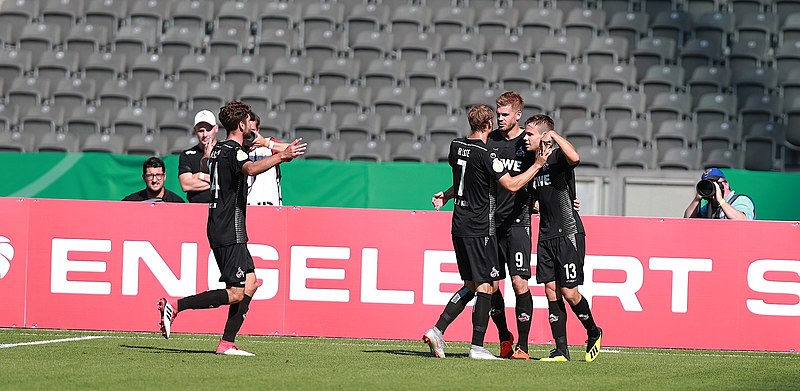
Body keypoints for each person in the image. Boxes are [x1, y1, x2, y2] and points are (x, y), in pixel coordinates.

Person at [157, 101, 306, 356]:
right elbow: (248, 167)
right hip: (229, 228)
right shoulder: (234, 152)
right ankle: (176, 305)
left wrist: (274, 147)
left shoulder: (217, 150)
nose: (252, 126)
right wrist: (281, 155)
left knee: (250, 283)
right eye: (248, 122)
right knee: (236, 293)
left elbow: (208, 163)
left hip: (222, 224)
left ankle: (227, 343)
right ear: (241, 124)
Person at [424, 104, 547, 360]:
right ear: (489, 124)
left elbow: (463, 180)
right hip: (480, 226)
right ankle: (476, 346)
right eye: (497, 116)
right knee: (485, 286)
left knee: (472, 284)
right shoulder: (486, 153)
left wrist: (447, 196)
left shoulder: (456, 145)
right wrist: (537, 165)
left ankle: (439, 330)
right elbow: (511, 184)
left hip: (458, 223)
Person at [523, 114, 602, 362]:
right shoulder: (534, 164)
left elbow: (576, 157)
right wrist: (535, 205)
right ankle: (560, 350)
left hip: (568, 232)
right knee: (550, 290)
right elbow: (538, 197)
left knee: (569, 292)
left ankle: (593, 331)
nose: (526, 138)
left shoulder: (558, 157)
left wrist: (555, 136)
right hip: (546, 234)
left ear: (544, 135)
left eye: (530, 134)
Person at [177, 110, 218, 203]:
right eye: (201, 130)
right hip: (196, 208)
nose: (205, 135)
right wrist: (215, 180)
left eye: (208, 130)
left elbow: (230, 182)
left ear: (216, 128)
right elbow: (186, 185)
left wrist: (199, 176)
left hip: (222, 209)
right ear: (195, 130)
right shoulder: (187, 155)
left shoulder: (226, 151)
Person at [683, 168, 756, 220]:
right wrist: (697, 199)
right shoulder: (710, 206)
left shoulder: (741, 200)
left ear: (726, 184)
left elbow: (742, 220)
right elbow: (688, 220)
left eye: (714, 184)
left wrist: (721, 201)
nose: (712, 187)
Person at [245, 112, 283, 206]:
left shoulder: (268, 146)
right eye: (247, 131)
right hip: (243, 210)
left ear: (258, 130)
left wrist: (266, 143)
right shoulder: (235, 148)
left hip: (270, 207)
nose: (250, 135)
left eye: (253, 130)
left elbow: (292, 150)